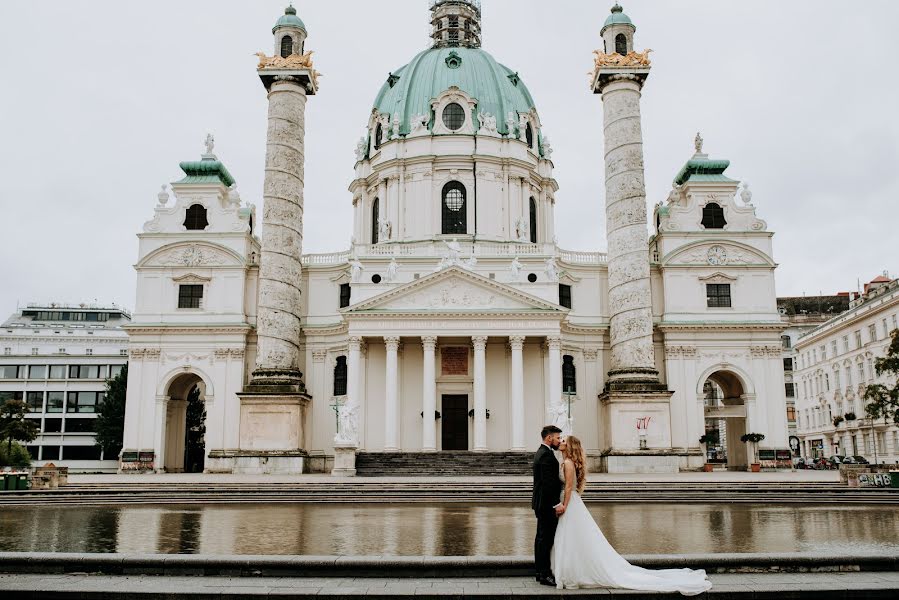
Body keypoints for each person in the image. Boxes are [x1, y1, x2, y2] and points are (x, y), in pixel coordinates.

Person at [551, 436, 713, 595]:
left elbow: (568, 487)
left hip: (570, 503)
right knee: (574, 538)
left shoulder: (567, 463)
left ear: (570, 446)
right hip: (573, 503)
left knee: (571, 538)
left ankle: (572, 572)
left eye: (564, 441)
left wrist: (564, 505)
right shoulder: (568, 462)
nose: (561, 442)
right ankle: (574, 570)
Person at [532, 424, 563, 587]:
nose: (560, 441)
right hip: (546, 504)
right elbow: (548, 483)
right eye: (558, 438)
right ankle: (544, 574)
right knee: (545, 539)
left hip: (541, 503)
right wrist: (556, 504)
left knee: (541, 538)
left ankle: (539, 572)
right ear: (549, 438)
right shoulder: (545, 455)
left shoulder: (543, 452)